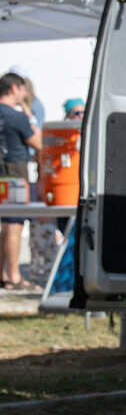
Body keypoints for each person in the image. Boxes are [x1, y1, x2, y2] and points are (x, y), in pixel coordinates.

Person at [0, 72, 42, 290]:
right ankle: (14, 276)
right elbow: (38, 142)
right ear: (14, 88)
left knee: (5, 225)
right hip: (16, 174)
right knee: (14, 226)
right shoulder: (17, 117)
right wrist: (29, 113)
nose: (25, 94)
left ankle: (3, 274)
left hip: (2, 172)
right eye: (23, 89)